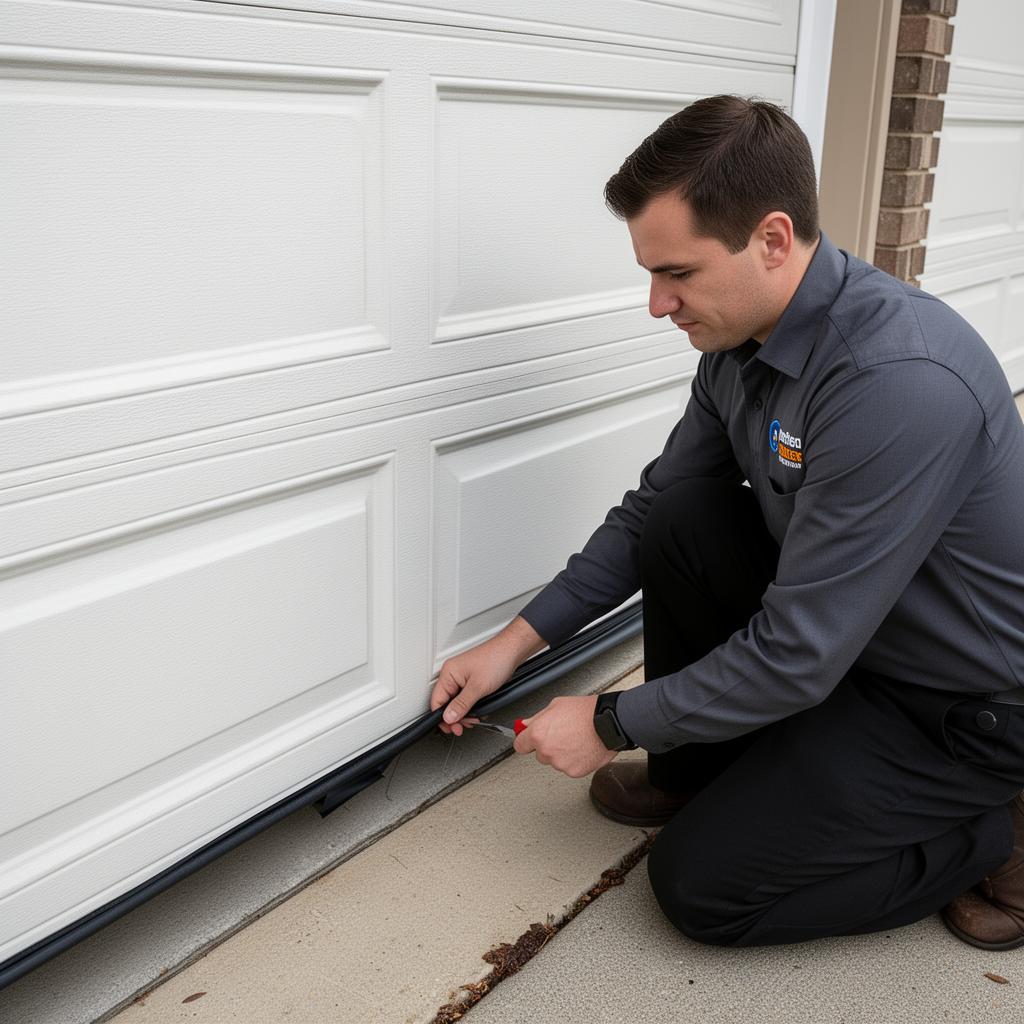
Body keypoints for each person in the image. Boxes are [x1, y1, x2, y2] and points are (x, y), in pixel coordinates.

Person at [429, 94, 1024, 950]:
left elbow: (799, 653)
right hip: (853, 647)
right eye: (650, 273)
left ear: (772, 240)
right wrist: (514, 643)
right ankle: (696, 769)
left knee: (704, 888)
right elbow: (648, 518)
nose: (656, 304)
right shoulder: (742, 347)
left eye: (677, 273)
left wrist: (609, 722)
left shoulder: (896, 381)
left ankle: (987, 832)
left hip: (956, 706)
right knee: (685, 514)